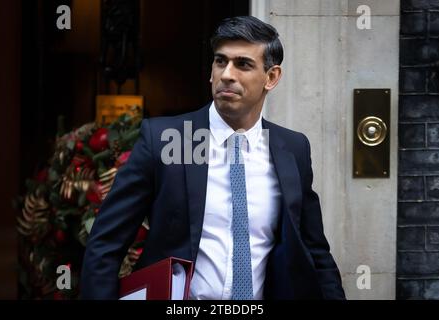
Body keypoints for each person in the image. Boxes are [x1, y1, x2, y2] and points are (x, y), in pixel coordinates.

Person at [81, 16, 345, 300]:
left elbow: (315, 252)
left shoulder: (293, 149)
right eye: (221, 62)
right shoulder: (165, 140)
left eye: (243, 64)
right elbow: (105, 244)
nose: (227, 74)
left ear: (271, 77)